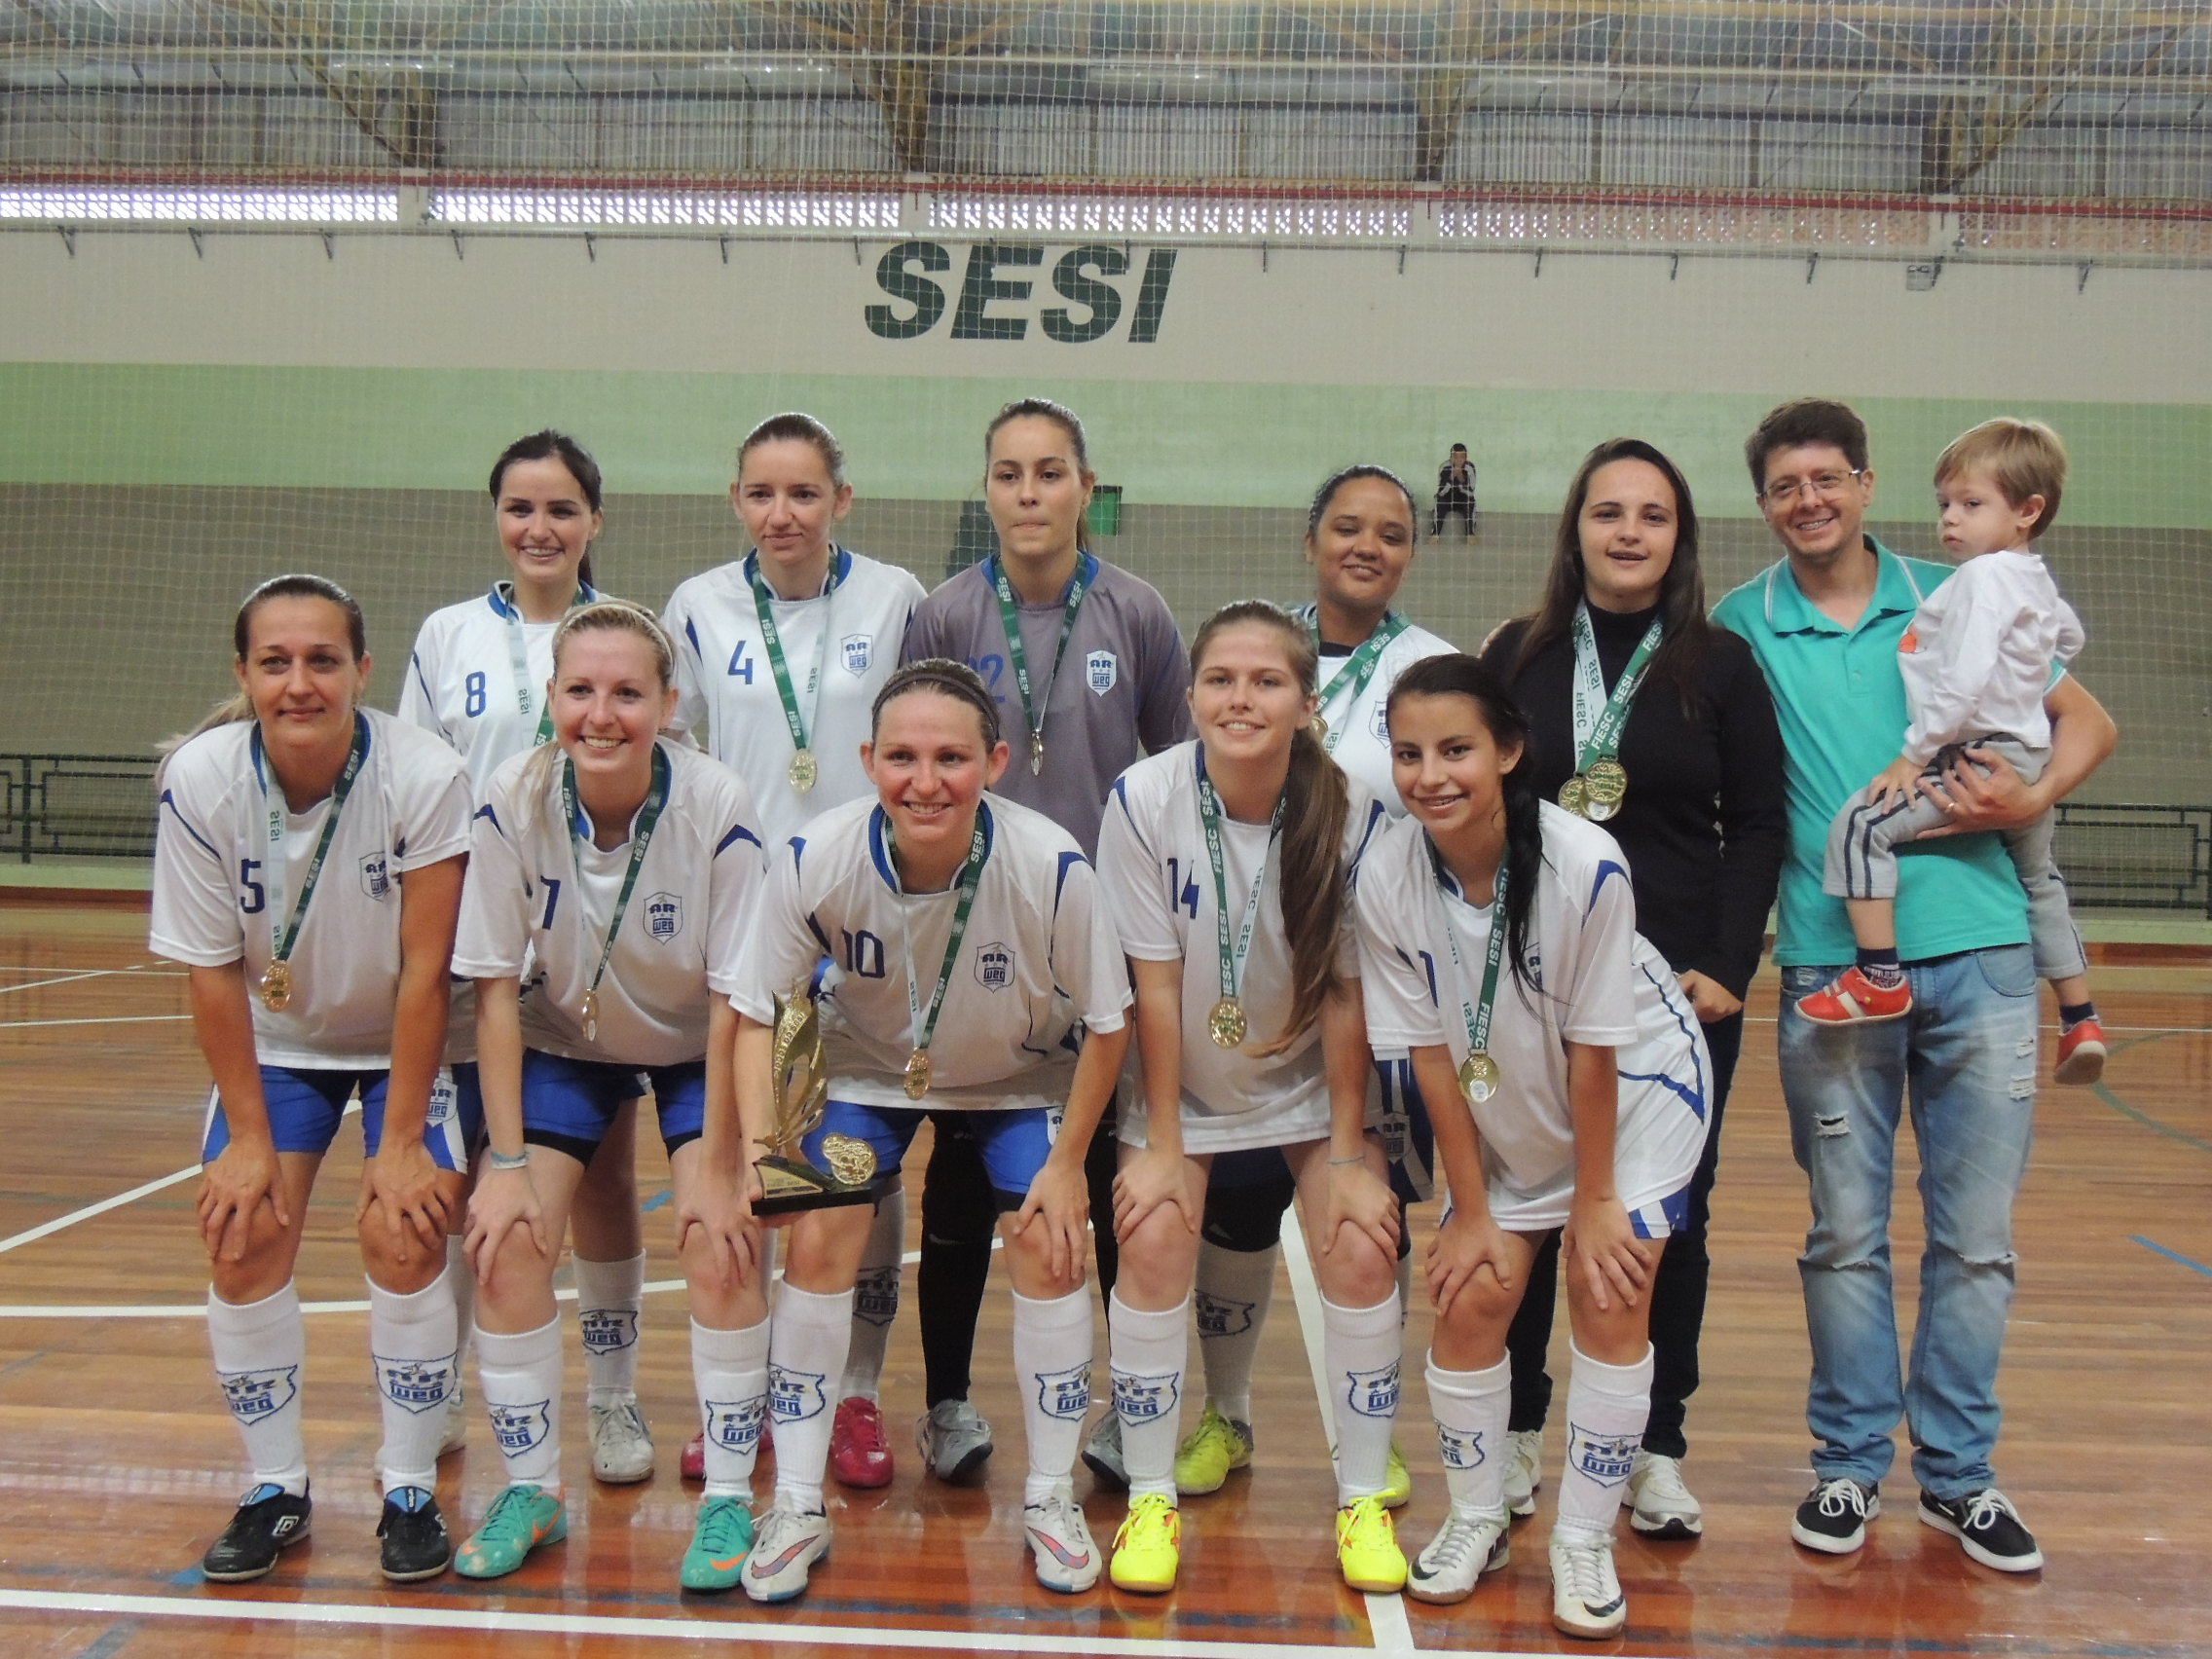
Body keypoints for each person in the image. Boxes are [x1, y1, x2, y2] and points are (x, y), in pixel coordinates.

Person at [1713, 398, 2117, 1573]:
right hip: (1836, 963)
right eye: (1785, 485)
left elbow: (2086, 721)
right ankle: (1846, 1467)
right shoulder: (1741, 625)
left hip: (1985, 954)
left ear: (1863, 482)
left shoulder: (1956, 593)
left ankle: (1958, 1478)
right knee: (1842, 1235)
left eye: (1827, 478)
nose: (1809, 500)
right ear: (1765, 501)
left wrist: (2033, 799)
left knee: (1975, 1242)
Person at [730, 659, 1132, 1601]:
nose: (925, 779)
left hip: (1019, 1074)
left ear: (994, 762)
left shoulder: (1049, 865)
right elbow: (767, 1011)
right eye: (902, 756)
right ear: (867, 759)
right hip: (868, 1071)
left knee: (1048, 1240)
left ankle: (1046, 1499)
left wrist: (1069, 1164)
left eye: (951, 757)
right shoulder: (815, 857)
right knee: (824, 1224)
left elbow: (1110, 1024)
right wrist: (771, 1149)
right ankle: (794, 1503)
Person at [1357, 653, 1711, 1639]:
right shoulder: (1385, 872)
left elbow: (1597, 1051)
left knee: (1609, 1287)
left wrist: (1595, 1200)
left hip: (1633, 1096)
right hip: (1497, 1080)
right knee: (1472, 1295)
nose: (1431, 774)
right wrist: (1469, 1211)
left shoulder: (1584, 863)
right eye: (1409, 753)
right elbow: (1430, 1056)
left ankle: (1584, 1538)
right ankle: (1476, 1516)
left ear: (1509, 751)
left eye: (1457, 749)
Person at [1479, 438, 1785, 1538]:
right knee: (1534, 1203)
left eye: (1651, 516)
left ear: (1678, 537)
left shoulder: (1719, 665)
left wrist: (1728, 965)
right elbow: (1482, 810)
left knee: (1671, 1223)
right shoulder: (1516, 655)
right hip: (1536, 984)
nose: (1627, 532)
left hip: (1675, 998)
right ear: (1575, 530)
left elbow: (1755, 828)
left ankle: (1654, 1446)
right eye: (1607, 512)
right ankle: (1516, 1433)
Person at [152, 574, 475, 1584]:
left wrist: (404, 1142)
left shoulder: (422, 771)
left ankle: (409, 1486)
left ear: (362, 671)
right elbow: (210, 972)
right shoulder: (200, 778)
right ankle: (277, 1487)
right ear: (243, 674)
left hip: (406, 1039)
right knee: (242, 1235)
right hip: (280, 1041)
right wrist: (247, 1141)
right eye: (276, 662)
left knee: (405, 1227)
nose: (300, 682)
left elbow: (428, 972)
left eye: (322, 660)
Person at [892, 398, 1192, 1488]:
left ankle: (1118, 1404)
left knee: (1097, 1168)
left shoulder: (1141, 615)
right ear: (987, 492)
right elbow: (908, 765)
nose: (1030, 494)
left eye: (1051, 473)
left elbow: (1173, 779)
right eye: (1010, 475)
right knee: (964, 1174)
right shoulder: (939, 616)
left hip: (1101, 933)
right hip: (971, 926)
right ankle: (946, 1403)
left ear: (1084, 487)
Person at [449, 599, 771, 1589]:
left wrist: (719, 1168)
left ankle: (725, 1501)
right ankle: (533, 1489)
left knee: (723, 1242)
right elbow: (494, 994)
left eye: (627, 693)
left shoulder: (718, 802)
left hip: (692, 1042)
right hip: (561, 1037)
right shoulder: (511, 793)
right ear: (549, 699)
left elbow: (736, 1002)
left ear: (668, 704)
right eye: (580, 690)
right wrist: (503, 1168)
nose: (601, 713)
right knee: (504, 1243)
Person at [1151, 465, 1455, 1507]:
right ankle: (1224, 1416)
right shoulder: (1250, 646)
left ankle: (1372, 1427)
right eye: (1346, 527)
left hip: (1368, 975)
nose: (1366, 545)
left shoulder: (1429, 663)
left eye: (1391, 533)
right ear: (1311, 537)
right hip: (1239, 981)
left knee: (1367, 1215)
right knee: (1235, 1212)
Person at [1094, 601, 1402, 1597]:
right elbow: (1152, 979)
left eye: (1266, 681)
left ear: (1307, 703)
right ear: (1188, 695)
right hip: (1179, 1082)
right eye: (1220, 679)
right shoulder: (1143, 796)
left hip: (1311, 1086)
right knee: (1152, 1234)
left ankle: (1360, 1496)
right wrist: (1165, 1141)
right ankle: (1149, 1499)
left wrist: (1349, 1152)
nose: (1241, 699)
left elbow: (1350, 992)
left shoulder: (1350, 810)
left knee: (1359, 1245)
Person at [663, 413, 927, 1485]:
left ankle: (851, 1394)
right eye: (763, 494)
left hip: (864, 920)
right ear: (737, 502)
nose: (783, 514)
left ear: (840, 503)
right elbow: (679, 763)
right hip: (747, 923)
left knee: (864, 1176)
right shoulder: (695, 605)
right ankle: (754, 1397)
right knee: (751, 1165)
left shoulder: (897, 597)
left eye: (804, 494)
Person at [399, 430, 663, 1486]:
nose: (540, 528)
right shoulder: (447, 633)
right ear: (495, 518)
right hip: (468, 929)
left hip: (593, 937)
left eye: (561, 509)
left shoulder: (626, 633)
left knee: (601, 1172)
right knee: (471, 1172)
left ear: (595, 520)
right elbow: (413, 781)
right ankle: (466, 1378)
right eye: (520, 508)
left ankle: (611, 1399)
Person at [1798, 419, 2105, 1084]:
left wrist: (1914, 754)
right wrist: (2022, 678)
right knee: (2039, 880)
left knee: (1857, 827)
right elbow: (2068, 639)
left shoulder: (1983, 579)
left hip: (1977, 753)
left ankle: (1879, 973)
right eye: (1945, 504)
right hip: (2026, 752)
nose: (1950, 521)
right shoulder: (2032, 578)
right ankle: (2080, 1013)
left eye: (1971, 504)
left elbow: (1963, 679)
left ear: (2028, 511)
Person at [1432, 444, 1477, 538]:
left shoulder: (1470, 468)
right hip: (1447, 498)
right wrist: (1451, 478)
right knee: (1438, 501)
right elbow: (1441, 492)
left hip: (1462, 499)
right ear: (1451, 458)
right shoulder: (1444, 467)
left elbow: (1471, 492)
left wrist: (1461, 480)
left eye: (1462, 457)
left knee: (1471, 502)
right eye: (1455, 457)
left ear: (1466, 458)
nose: (1458, 460)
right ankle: (1435, 534)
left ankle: (1470, 533)